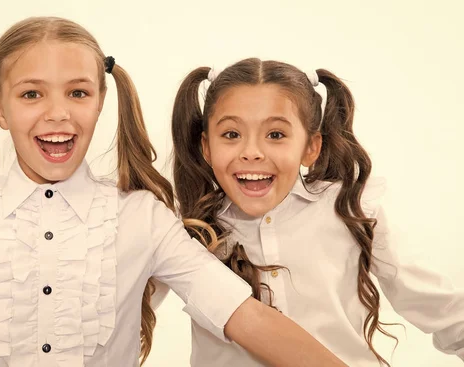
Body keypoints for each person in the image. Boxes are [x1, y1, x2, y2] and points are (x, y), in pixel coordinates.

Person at [0, 19, 347, 367]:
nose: (58, 114)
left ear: (100, 101)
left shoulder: (142, 219)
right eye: (32, 94)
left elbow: (242, 316)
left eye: (78, 93)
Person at [171, 58, 464, 366]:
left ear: (311, 147)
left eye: (275, 135)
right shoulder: (188, 230)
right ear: (206, 147)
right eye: (231, 134)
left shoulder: (351, 209)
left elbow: (436, 304)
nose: (252, 152)